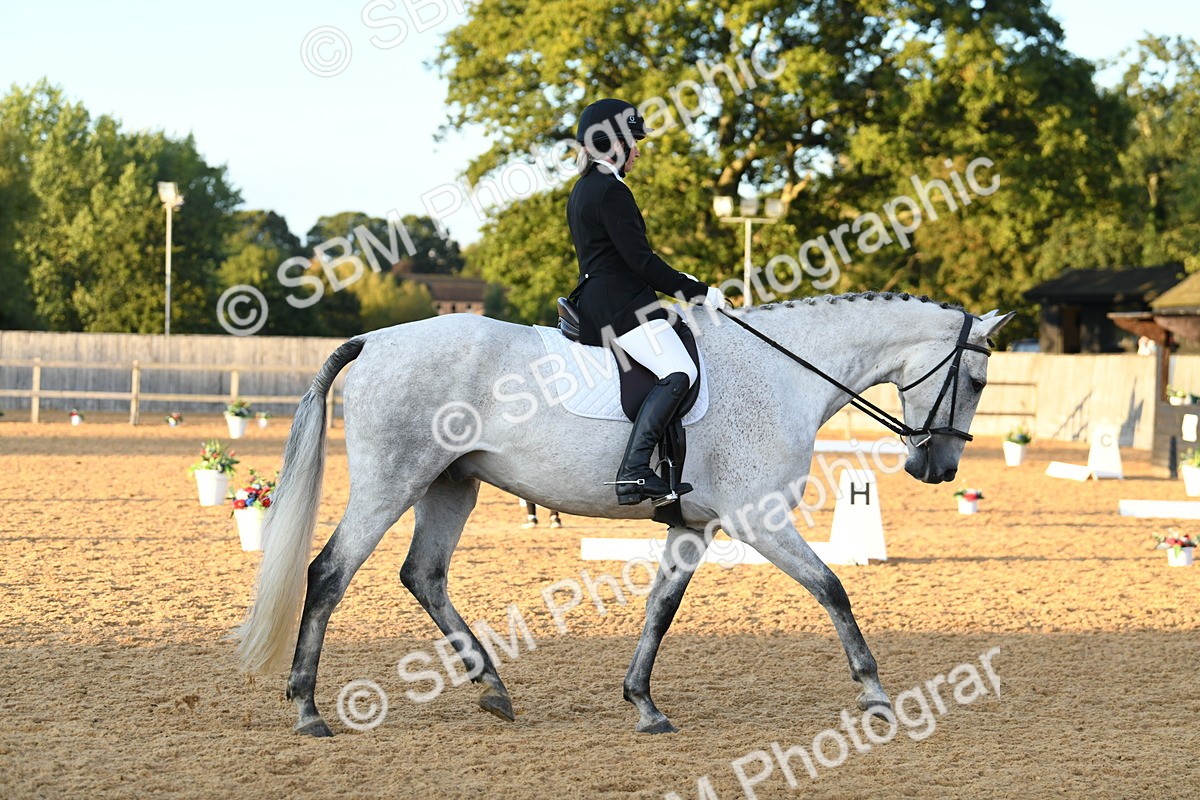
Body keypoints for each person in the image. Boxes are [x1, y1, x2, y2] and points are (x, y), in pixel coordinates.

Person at [566, 98, 729, 506]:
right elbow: (641, 263)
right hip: (620, 308)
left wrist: (681, 280)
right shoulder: (610, 191)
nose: (638, 151)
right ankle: (634, 471)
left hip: (602, 298)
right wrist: (701, 293)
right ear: (614, 144)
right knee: (679, 371)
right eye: (633, 142)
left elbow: (624, 259)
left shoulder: (585, 187)